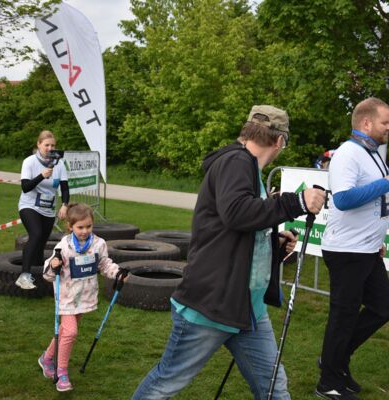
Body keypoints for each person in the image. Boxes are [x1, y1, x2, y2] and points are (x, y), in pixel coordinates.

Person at [131, 105, 326, 400]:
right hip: (212, 305)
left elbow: (233, 226)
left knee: (274, 387)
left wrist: (272, 242)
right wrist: (296, 202)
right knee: (165, 384)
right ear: (280, 141)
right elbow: (236, 213)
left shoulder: (246, 166)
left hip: (247, 307)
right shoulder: (237, 161)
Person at [316, 97, 389, 400]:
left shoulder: (373, 153)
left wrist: (377, 238)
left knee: (383, 307)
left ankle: (335, 359)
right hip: (347, 251)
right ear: (366, 123)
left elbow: (377, 200)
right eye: (385, 122)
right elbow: (344, 199)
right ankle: (328, 382)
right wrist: (387, 183)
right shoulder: (348, 153)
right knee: (343, 315)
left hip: (367, 249)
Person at [38, 203, 125, 392]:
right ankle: (61, 371)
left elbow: (104, 264)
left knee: (64, 331)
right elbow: (48, 274)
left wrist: (117, 273)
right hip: (67, 297)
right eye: (80, 227)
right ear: (70, 226)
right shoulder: (64, 246)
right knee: (70, 333)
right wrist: (53, 265)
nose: (85, 231)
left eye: (88, 226)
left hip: (84, 296)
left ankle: (46, 358)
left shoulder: (99, 244)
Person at [16, 130, 69, 290]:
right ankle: (24, 275)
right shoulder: (29, 162)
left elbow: (64, 187)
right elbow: (25, 187)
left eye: (53, 145)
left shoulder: (59, 164)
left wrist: (65, 204)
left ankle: (38, 275)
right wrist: (41, 176)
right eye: (46, 145)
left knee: (41, 243)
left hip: (48, 209)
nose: (50, 148)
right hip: (29, 205)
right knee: (36, 234)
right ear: (39, 144)